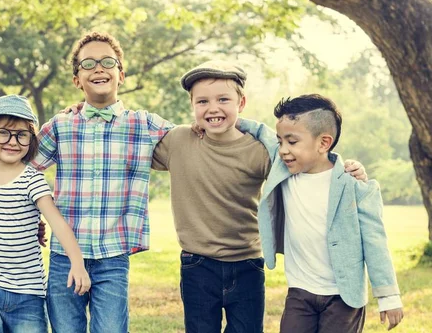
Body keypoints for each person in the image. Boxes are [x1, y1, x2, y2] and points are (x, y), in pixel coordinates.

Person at [0, 31, 174, 333]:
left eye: (107, 61)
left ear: (122, 73)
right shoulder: (62, 125)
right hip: (65, 256)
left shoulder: (144, 123)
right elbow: (17, 158)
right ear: (77, 79)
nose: (99, 69)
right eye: (88, 64)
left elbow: (191, 141)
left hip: (114, 254)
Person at [151, 60, 367, 333]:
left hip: (248, 263)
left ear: (241, 104)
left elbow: (307, 157)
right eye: (202, 101)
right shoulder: (178, 140)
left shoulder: (260, 150)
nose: (213, 108)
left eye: (223, 99)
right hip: (197, 263)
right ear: (192, 105)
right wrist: (82, 112)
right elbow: (131, 142)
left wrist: (345, 167)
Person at [238, 94, 403, 333]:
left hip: (343, 297)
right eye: (280, 141)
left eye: (291, 142)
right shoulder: (284, 168)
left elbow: (375, 241)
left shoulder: (354, 185)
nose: (283, 150)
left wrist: (389, 297)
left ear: (324, 143)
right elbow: (261, 131)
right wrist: (232, 121)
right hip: (300, 292)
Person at [0, 94, 90, 332]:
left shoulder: (32, 180)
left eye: (21, 135)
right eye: (3, 132)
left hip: (28, 294)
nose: (12, 141)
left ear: (31, 139)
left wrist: (77, 263)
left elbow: (58, 223)